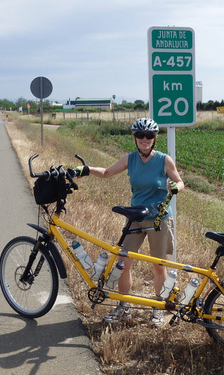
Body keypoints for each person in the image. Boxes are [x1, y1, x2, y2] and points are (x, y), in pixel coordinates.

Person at [78, 118, 184, 326]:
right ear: (134, 138)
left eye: (149, 136)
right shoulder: (130, 159)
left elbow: (180, 181)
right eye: (141, 136)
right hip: (135, 217)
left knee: (158, 266)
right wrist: (87, 169)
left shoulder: (164, 160)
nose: (145, 140)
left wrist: (175, 188)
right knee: (123, 263)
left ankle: (159, 307)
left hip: (159, 219)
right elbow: (107, 173)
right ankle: (123, 306)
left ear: (154, 139)